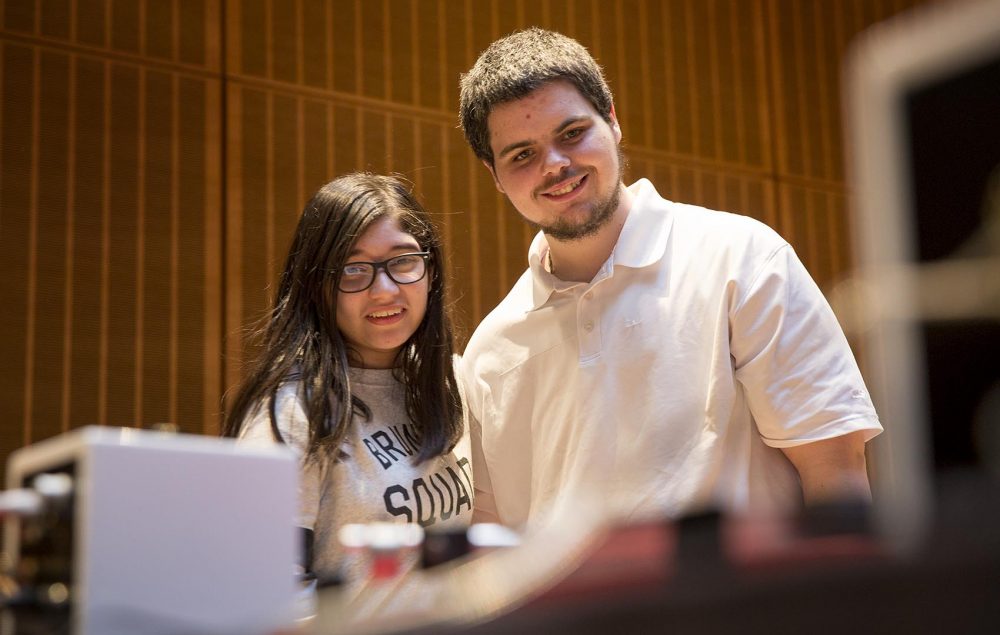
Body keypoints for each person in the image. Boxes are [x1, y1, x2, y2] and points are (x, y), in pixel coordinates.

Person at [457, 28, 882, 529]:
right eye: (522, 155)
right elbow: (498, 547)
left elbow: (835, 474)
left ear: (612, 120)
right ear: (494, 175)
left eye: (571, 133)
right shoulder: (490, 351)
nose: (555, 165)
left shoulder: (741, 257)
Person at [223, 172, 474, 584]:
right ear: (317, 286)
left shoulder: (453, 382)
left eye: (404, 261)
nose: (384, 290)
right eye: (353, 270)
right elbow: (261, 588)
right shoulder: (289, 411)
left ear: (430, 270)